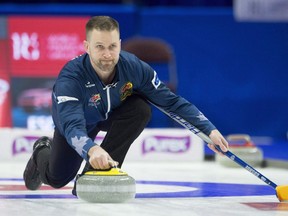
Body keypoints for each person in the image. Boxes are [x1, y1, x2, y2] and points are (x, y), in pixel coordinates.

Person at [23, 16, 229, 193]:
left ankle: (95, 177)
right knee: (57, 178)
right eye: (100, 47)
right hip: (79, 122)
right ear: (87, 47)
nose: (107, 55)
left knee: (140, 109)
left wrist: (208, 130)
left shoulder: (135, 68)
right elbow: (71, 125)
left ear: (120, 44)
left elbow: (171, 102)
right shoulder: (70, 78)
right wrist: (92, 149)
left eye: (113, 47)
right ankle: (41, 148)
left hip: (111, 113)